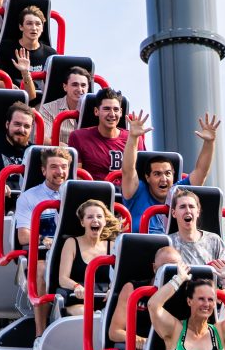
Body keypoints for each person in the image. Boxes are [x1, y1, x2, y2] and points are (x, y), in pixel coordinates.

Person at [117, 110, 222, 220]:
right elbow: (128, 170)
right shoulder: (137, 191)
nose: (163, 179)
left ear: (173, 175)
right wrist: (133, 137)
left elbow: (201, 171)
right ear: (147, 177)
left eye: (167, 173)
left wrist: (209, 143)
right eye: (157, 174)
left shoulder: (178, 192)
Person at [41, 195, 119, 331]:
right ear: (82, 222)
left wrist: (112, 289)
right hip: (77, 300)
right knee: (86, 313)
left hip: (103, 300)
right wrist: (76, 286)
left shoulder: (112, 246)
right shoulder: (71, 243)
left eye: (99, 217)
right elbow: (63, 279)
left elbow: (117, 277)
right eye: (90, 217)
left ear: (104, 221)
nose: (95, 220)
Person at [11, 144, 75, 247]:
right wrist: (44, 240)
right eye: (54, 167)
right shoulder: (28, 197)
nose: (60, 172)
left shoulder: (77, 195)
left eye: (64, 167)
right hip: (43, 251)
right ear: (44, 170)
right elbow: (23, 236)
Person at [65, 89, 133, 180]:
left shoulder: (134, 138)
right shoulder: (78, 137)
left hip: (126, 188)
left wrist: (135, 137)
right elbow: (77, 178)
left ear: (121, 112)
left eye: (116, 109)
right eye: (106, 109)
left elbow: (142, 174)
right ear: (96, 111)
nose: (112, 114)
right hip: (94, 188)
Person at [162, 186, 225, 267]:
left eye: (191, 206)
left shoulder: (215, 241)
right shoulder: (168, 243)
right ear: (173, 213)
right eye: (182, 207)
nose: (188, 211)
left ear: (198, 212)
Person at [0, 0, 53, 88]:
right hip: (11, 94)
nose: (34, 28)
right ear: (21, 27)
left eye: (38, 24)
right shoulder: (5, 48)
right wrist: (9, 86)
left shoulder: (50, 54)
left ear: (42, 28)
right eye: (29, 24)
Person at [38, 62, 92, 134]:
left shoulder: (95, 111)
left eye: (83, 85)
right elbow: (43, 138)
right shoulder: (48, 109)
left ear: (88, 88)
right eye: (75, 85)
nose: (79, 89)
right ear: (65, 87)